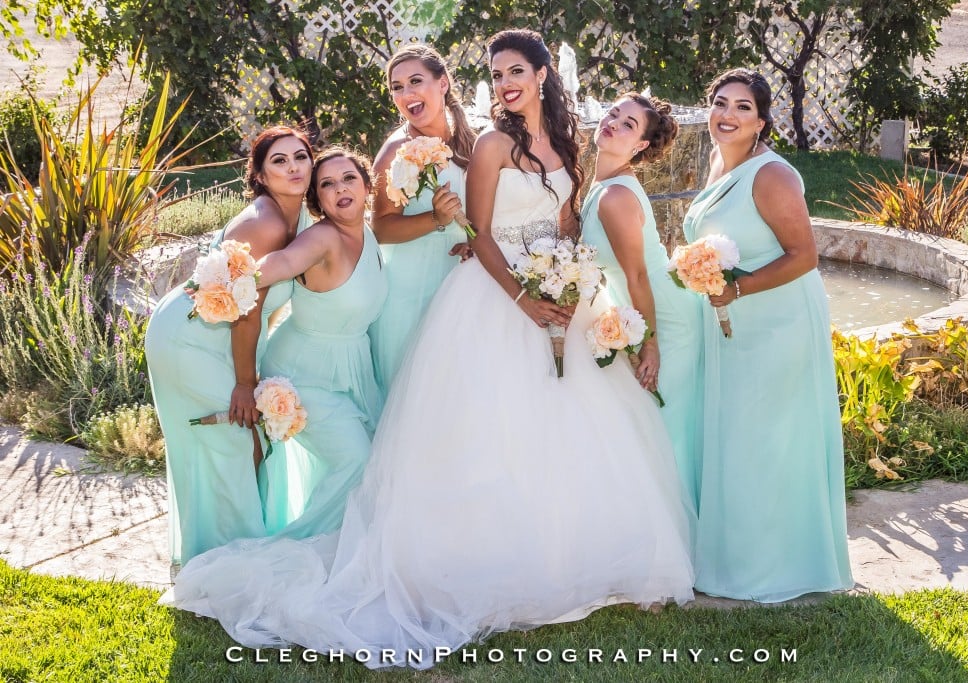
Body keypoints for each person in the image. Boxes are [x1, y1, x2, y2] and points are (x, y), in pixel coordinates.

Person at [161, 30, 694, 669]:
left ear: (545, 73)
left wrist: (565, 274)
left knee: (559, 429)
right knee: (480, 430)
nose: (504, 84)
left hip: (554, 295)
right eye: (496, 75)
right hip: (492, 299)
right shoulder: (494, 144)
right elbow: (482, 232)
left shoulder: (564, 144)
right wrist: (523, 299)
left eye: (516, 71)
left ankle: (562, 553)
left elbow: (563, 220)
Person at [684, 68, 853, 602]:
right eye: (719, 103)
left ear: (761, 122)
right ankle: (735, 558)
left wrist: (738, 289)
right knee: (737, 437)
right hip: (732, 320)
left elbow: (804, 256)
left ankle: (779, 568)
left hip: (778, 321)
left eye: (741, 108)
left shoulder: (771, 175)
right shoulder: (718, 162)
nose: (727, 115)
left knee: (770, 439)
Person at [145, 125, 313, 570]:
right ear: (259, 173)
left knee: (242, 441)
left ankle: (229, 555)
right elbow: (247, 312)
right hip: (188, 338)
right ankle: (226, 565)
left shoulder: (296, 218)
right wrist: (245, 384)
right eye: (279, 160)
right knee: (234, 439)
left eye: (301, 156)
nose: (294, 167)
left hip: (211, 338)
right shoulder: (268, 223)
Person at [579, 92, 704, 527]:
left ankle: (681, 537)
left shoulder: (615, 196)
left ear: (641, 146)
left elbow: (637, 278)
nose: (613, 123)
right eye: (613, 114)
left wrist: (649, 345)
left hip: (666, 320)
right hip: (645, 312)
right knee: (653, 426)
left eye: (629, 125)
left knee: (667, 426)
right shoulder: (601, 185)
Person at [255, 147, 387, 538]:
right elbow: (282, 263)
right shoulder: (323, 238)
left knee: (377, 460)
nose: (340, 189)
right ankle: (296, 547)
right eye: (327, 184)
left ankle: (346, 543)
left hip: (349, 370)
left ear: (366, 185)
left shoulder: (368, 235)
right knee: (356, 461)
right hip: (303, 376)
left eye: (348, 178)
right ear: (318, 200)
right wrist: (229, 278)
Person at [368, 44, 476, 393]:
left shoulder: (474, 135)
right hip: (411, 291)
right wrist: (436, 218)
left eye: (416, 81)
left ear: (443, 83)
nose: (406, 94)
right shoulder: (394, 153)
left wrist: (481, 238)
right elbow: (380, 228)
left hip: (468, 280)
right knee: (416, 394)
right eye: (397, 88)